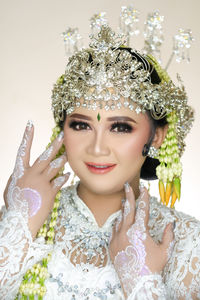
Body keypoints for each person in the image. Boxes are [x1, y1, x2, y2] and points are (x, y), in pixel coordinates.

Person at [0, 25, 200, 300]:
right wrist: (17, 228)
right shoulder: (21, 220)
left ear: (157, 136)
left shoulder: (189, 243)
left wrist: (143, 283)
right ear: (62, 131)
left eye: (119, 127)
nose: (96, 148)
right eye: (81, 125)